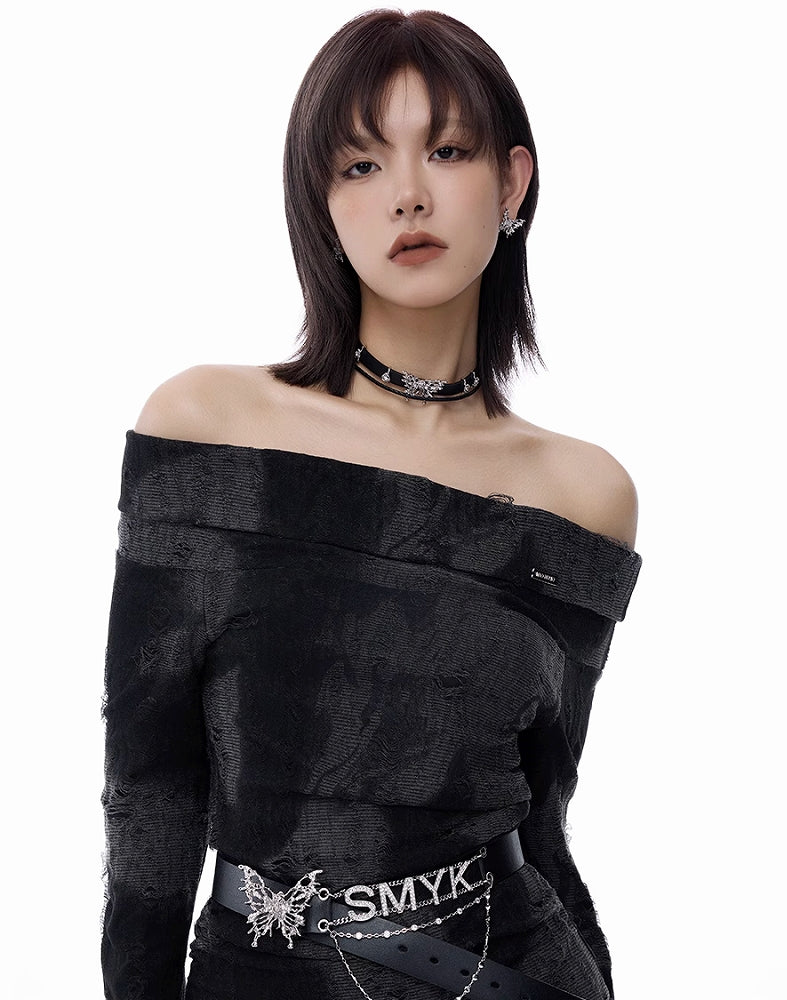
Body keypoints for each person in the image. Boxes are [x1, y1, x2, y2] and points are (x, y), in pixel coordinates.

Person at [100, 9, 641, 1000]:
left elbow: (543, 823)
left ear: (511, 183)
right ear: (321, 201)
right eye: (360, 164)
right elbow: (150, 793)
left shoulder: (583, 493)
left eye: (447, 150)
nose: (407, 193)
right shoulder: (210, 424)